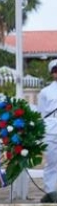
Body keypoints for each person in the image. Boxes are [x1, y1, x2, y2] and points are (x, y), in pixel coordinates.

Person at [40, 57, 57, 198]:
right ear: (52, 73)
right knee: (51, 163)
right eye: (55, 71)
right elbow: (42, 113)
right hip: (51, 130)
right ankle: (50, 193)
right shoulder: (45, 92)